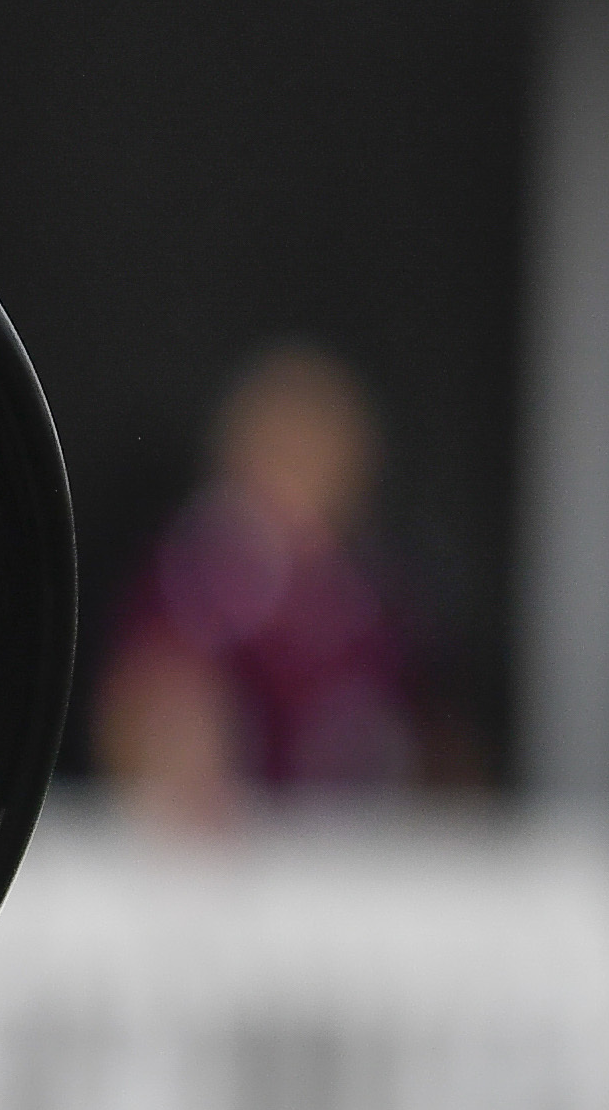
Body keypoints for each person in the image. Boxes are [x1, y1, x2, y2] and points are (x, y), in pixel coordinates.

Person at [95, 343, 429, 825]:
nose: (306, 481)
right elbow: (144, 702)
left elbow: (421, 734)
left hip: (342, 852)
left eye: (324, 460)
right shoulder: (197, 575)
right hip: (227, 857)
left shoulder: (368, 593)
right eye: (288, 456)